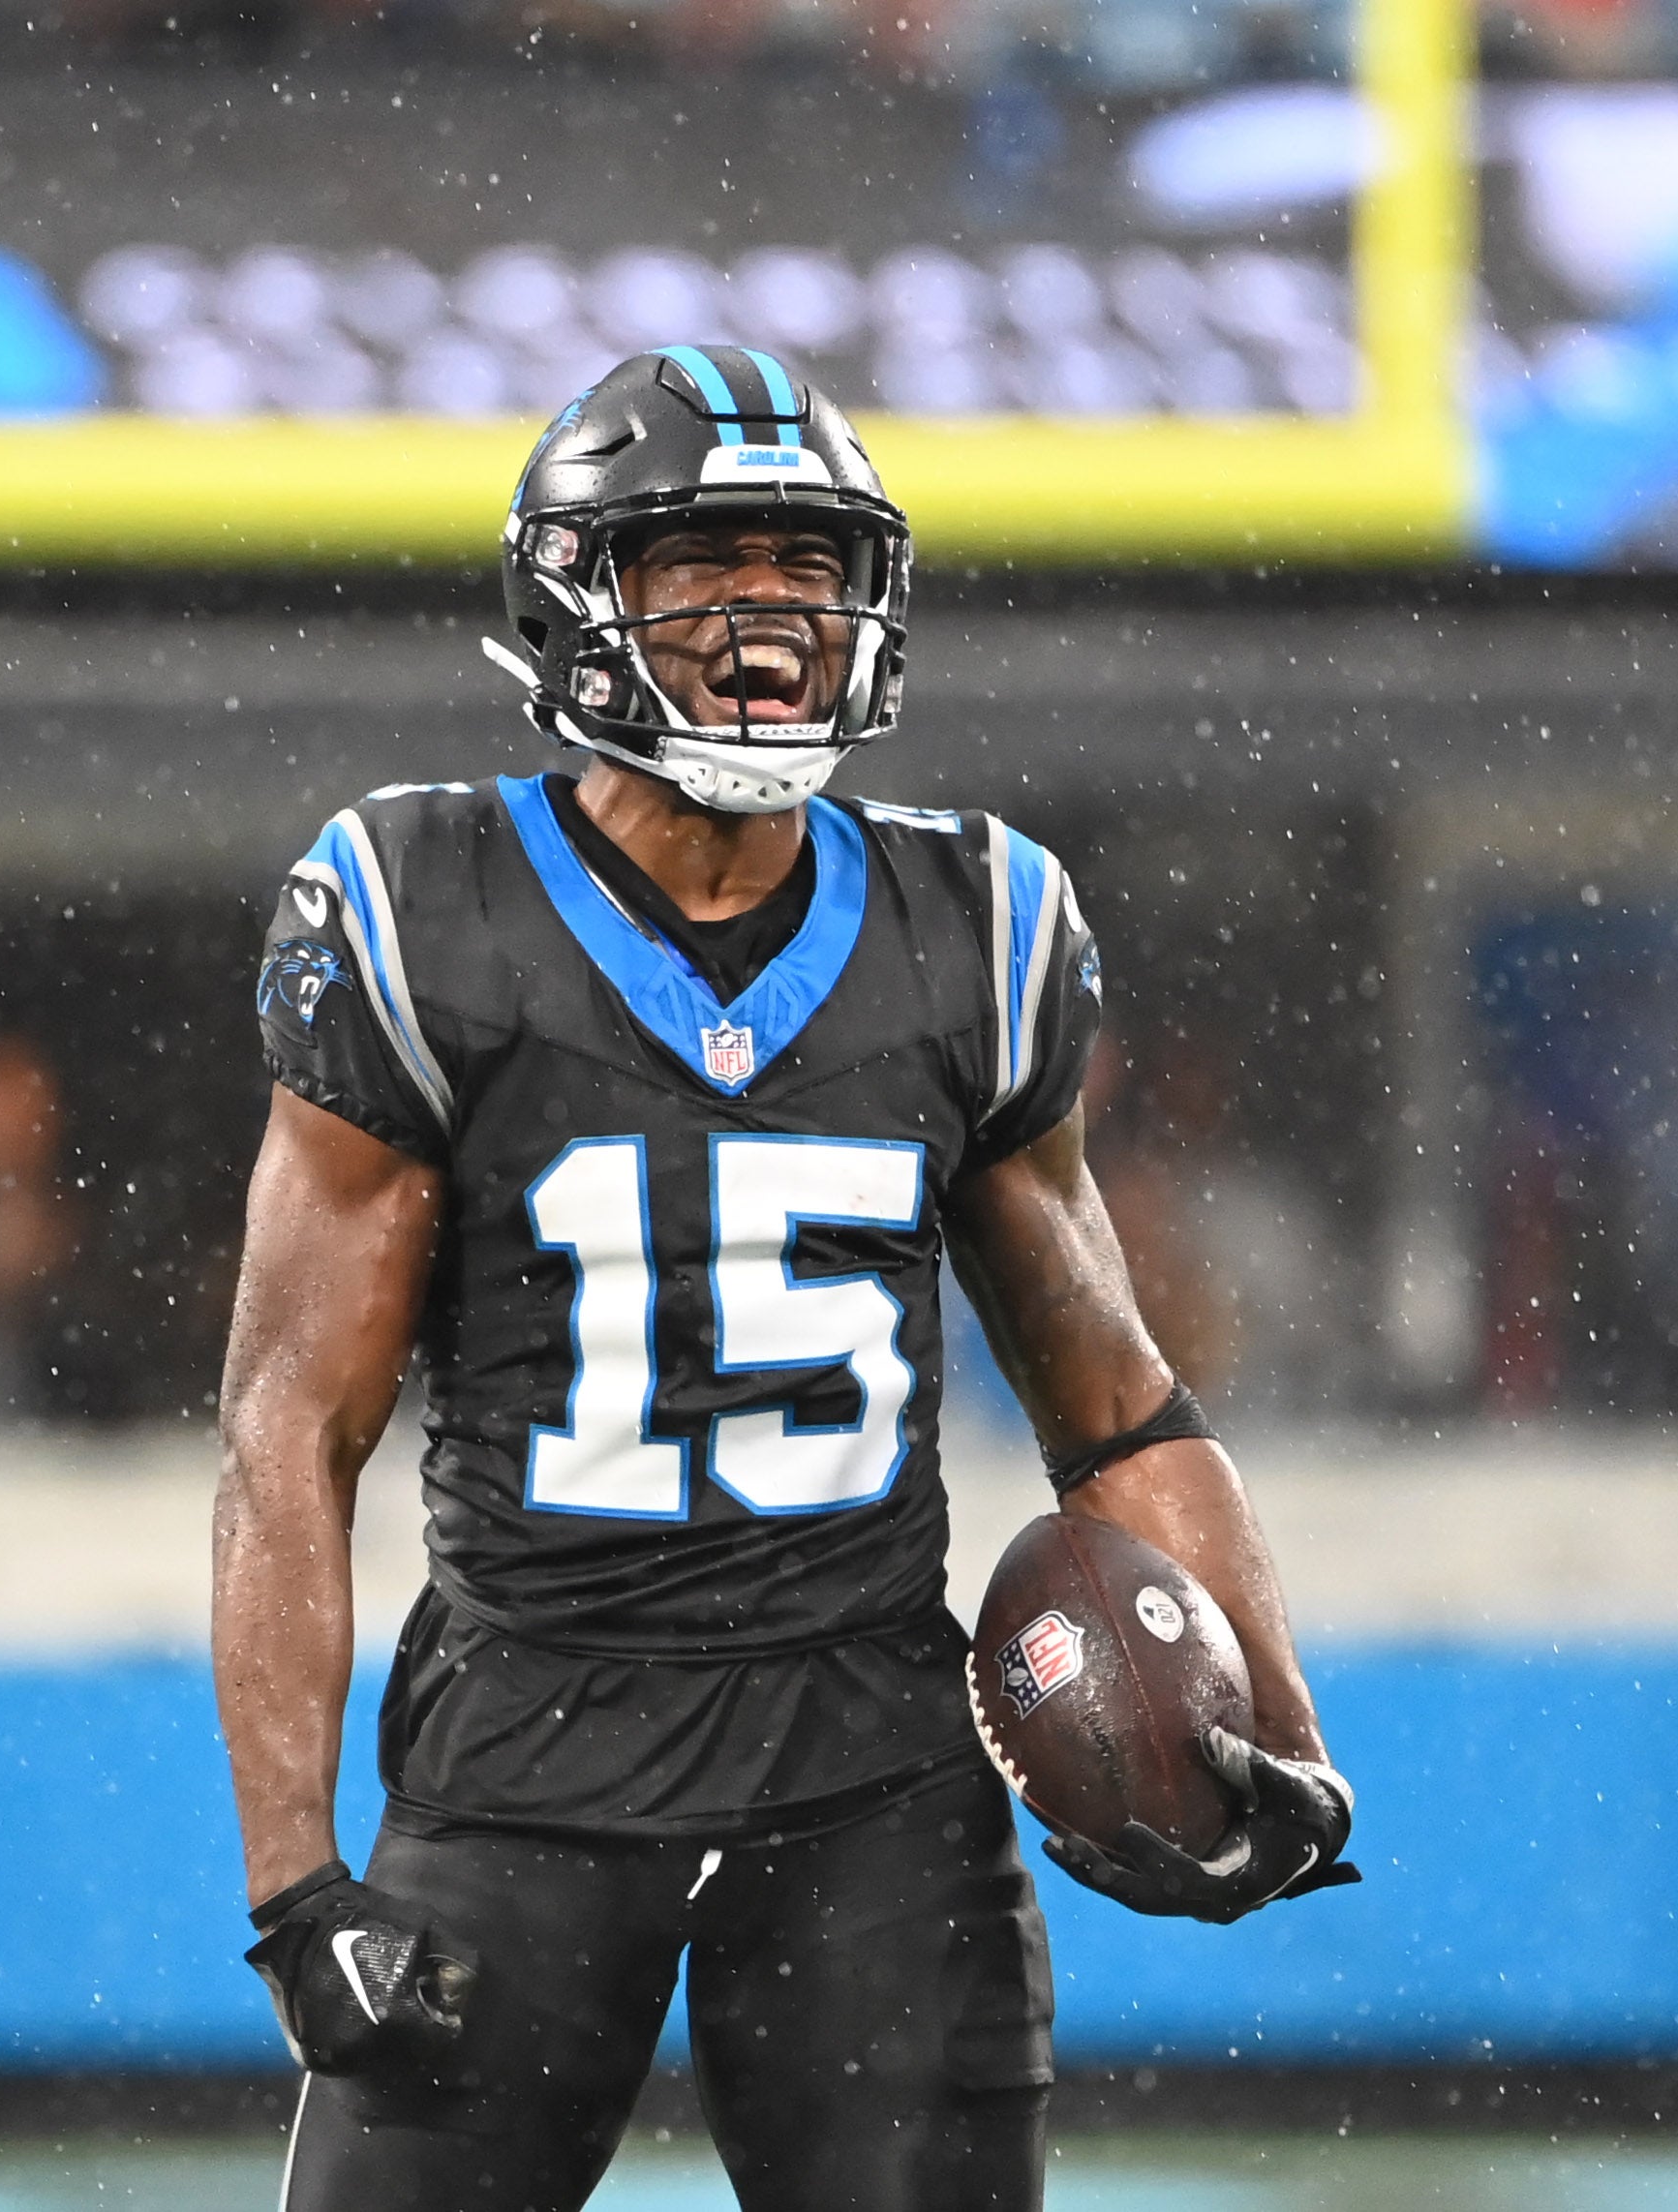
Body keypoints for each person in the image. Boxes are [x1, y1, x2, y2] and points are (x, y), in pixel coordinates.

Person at [214, 348, 1357, 2212]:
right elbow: (289, 1429)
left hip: (869, 1783)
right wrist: (293, 1884)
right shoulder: (424, 906)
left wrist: (1275, 1729)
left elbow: (1115, 1403)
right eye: (703, 562)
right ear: (575, 594)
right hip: (524, 1762)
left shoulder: (977, 922)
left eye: (809, 565)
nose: (769, 613)